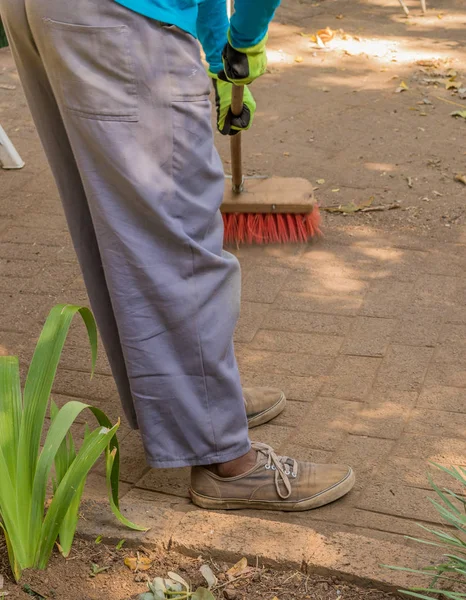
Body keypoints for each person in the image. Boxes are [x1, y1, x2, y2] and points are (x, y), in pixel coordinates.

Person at [0, 0, 355, 511]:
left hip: (46, 12)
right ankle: (223, 460)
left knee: (114, 219)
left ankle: (193, 405)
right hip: (123, 15)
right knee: (177, 232)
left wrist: (214, 54)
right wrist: (246, 39)